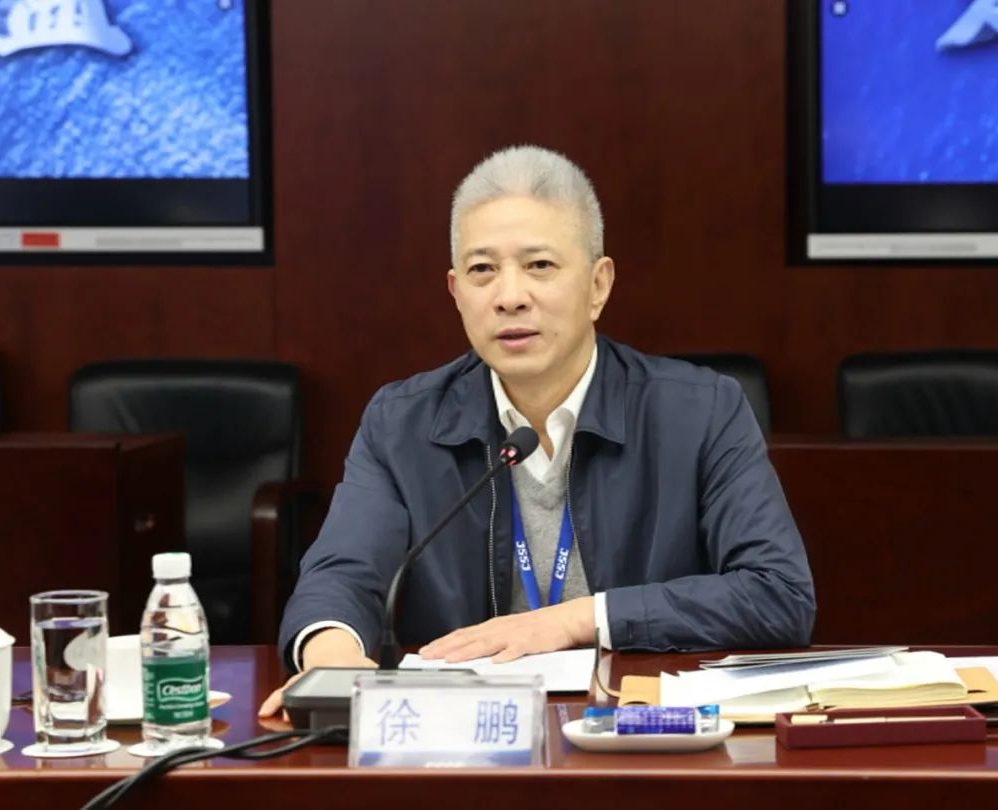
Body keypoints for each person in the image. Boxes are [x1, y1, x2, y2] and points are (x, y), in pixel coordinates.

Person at [259, 145, 815, 717]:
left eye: (540, 265)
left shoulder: (700, 412)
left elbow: (778, 593)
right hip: (461, 738)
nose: (510, 297)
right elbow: (341, 574)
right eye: (482, 270)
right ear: (455, 292)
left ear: (598, 285)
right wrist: (333, 662)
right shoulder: (403, 422)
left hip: (642, 729)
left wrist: (577, 620)